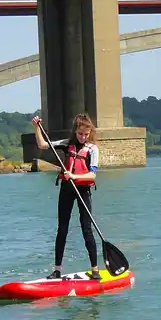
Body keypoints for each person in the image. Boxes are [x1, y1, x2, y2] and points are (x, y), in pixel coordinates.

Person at [31, 113, 101, 280]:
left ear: (90, 132)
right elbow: (42, 145)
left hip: (83, 190)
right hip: (67, 190)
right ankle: (57, 270)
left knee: (86, 229)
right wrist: (36, 127)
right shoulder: (65, 144)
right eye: (80, 134)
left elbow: (92, 176)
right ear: (75, 132)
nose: (83, 137)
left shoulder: (93, 149)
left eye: (86, 134)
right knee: (62, 229)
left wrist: (75, 177)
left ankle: (95, 269)